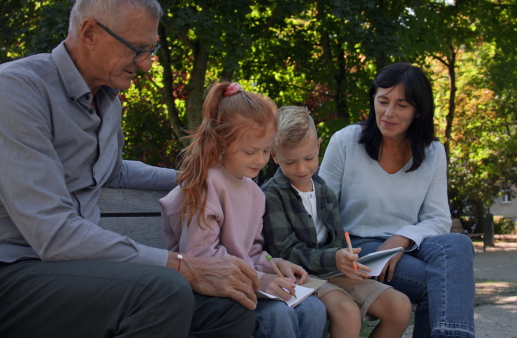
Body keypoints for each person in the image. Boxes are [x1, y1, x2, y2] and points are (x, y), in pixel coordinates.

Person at [0, 1, 258, 337]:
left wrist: (201, 176)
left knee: (228, 306)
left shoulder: (107, 101)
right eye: (137, 49)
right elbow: (54, 234)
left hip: (84, 272)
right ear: (89, 32)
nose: (148, 65)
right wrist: (182, 266)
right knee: (163, 290)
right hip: (17, 272)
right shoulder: (17, 91)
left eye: (151, 50)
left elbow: (111, 171)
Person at [319, 62, 476, 338]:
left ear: (418, 111)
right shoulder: (345, 141)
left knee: (458, 243)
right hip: (359, 247)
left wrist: (402, 239)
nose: (388, 113)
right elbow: (321, 211)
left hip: (411, 244)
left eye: (402, 105)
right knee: (439, 284)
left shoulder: (433, 152)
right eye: (383, 101)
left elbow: (438, 218)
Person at [160, 82, 327, 338]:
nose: (261, 160)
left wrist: (276, 265)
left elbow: (250, 252)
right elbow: (200, 258)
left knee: (314, 309)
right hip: (210, 295)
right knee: (278, 315)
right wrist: (259, 280)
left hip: (244, 285)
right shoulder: (208, 185)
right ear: (223, 142)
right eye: (251, 151)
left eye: (266, 150)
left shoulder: (254, 193)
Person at [261, 105, 413, 337]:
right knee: (346, 311)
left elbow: (338, 242)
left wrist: (349, 261)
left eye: (309, 158)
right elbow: (287, 251)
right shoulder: (271, 195)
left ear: (319, 146)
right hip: (300, 276)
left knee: (400, 307)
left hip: (331, 271)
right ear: (274, 154)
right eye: (290, 162)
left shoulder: (324, 191)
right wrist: (334, 258)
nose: (301, 169)